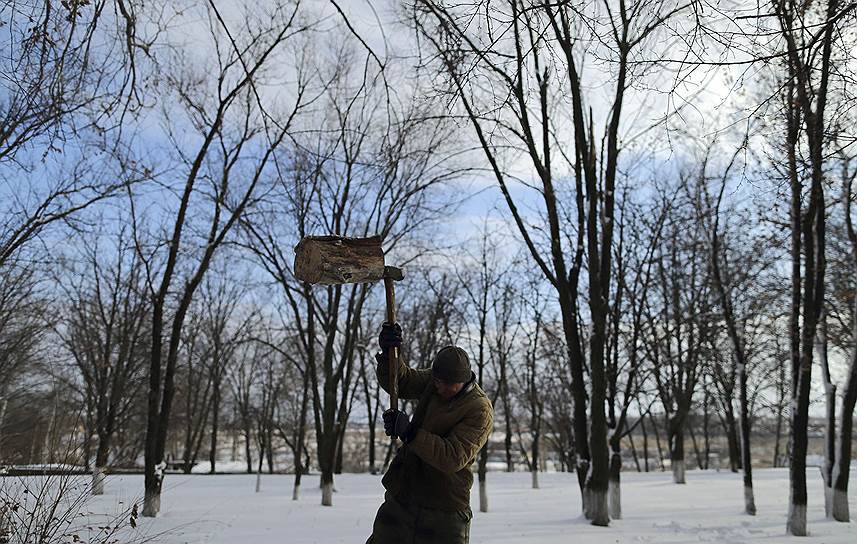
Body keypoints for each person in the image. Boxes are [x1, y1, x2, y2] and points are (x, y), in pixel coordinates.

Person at [366, 322, 494, 544]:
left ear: (463, 381)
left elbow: (452, 457)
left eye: (448, 385)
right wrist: (390, 354)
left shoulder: (479, 409)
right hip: (404, 495)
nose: (440, 388)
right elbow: (401, 382)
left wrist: (409, 432)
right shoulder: (435, 381)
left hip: (444, 508)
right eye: (437, 381)